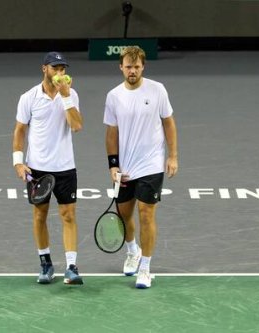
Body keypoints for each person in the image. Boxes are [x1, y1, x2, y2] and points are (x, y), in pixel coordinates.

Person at [103, 46, 178, 289]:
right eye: (128, 66)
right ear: (121, 67)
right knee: (124, 215)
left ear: (143, 67)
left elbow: (168, 123)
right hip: (125, 167)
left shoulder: (157, 90)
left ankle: (145, 267)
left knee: (147, 213)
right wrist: (113, 165)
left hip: (151, 164)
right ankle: (132, 250)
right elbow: (111, 132)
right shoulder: (113, 96)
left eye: (136, 66)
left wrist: (172, 156)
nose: (132, 71)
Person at [12, 51, 84, 285]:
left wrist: (65, 97)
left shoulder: (71, 94)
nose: (60, 73)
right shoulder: (28, 97)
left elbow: (77, 126)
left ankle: (72, 267)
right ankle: (45, 263)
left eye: (63, 69)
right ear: (45, 69)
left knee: (68, 215)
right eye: (55, 68)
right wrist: (18, 161)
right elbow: (20, 130)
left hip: (65, 167)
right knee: (39, 215)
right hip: (37, 168)